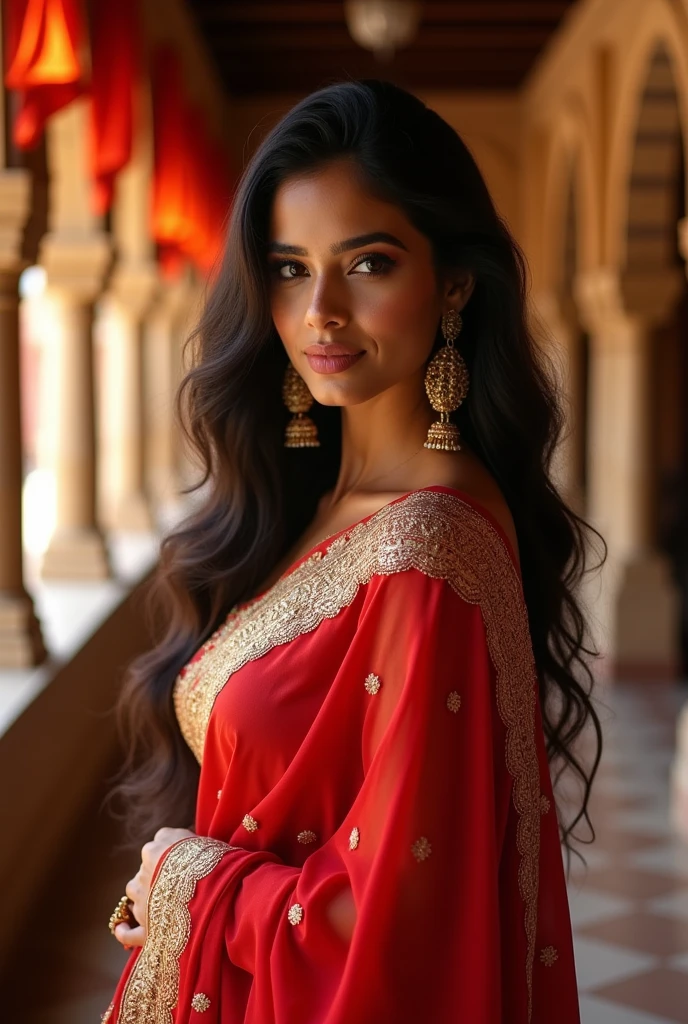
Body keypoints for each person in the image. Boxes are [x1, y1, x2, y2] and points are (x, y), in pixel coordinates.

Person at [102, 79, 604, 1023]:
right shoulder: (317, 503)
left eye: (367, 263)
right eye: (290, 268)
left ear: (452, 280)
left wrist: (184, 880)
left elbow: (392, 918)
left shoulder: (427, 552)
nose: (320, 311)